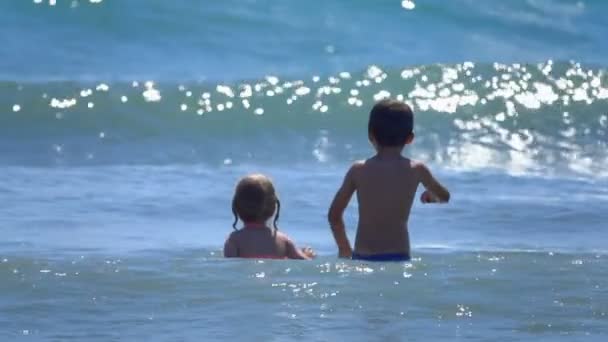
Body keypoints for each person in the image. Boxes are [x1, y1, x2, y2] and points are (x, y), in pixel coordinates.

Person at [328, 99, 450, 261]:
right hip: (398, 256)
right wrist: (431, 196)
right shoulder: (416, 170)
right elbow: (445, 196)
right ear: (410, 138)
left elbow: (334, 215)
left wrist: (344, 249)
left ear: (371, 135)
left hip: (363, 257)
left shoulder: (358, 170)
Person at [224, 174, 315, 260]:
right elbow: (304, 261)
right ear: (273, 207)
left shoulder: (234, 240)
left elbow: (230, 268)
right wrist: (307, 255)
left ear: (236, 207)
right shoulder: (283, 240)